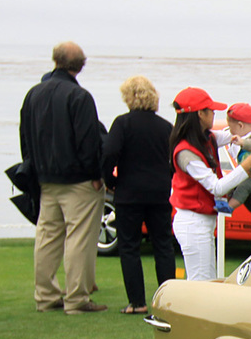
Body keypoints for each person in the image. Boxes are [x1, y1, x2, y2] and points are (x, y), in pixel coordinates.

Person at [20, 41, 108, 314]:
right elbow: (88, 140)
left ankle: (45, 296)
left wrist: (33, 170)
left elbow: (25, 137)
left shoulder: (33, 94)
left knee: (47, 237)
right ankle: (76, 299)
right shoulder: (79, 97)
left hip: (45, 179)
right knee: (79, 239)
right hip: (79, 180)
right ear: (80, 65)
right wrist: (96, 174)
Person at [169, 88, 251, 281]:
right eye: (211, 110)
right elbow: (216, 187)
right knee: (200, 284)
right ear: (200, 114)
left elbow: (234, 137)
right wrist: (247, 166)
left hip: (202, 222)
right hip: (193, 222)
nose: (214, 114)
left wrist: (247, 137)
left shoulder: (207, 137)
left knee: (207, 281)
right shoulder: (186, 152)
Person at [100, 76, 175, 313]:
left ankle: (137, 302)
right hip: (159, 192)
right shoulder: (165, 127)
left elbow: (108, 154)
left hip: (129, 193)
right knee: (163, 245)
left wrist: (110, 181)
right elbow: (174, 160)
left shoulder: (122, 124)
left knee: (129, 247)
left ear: (129, 97)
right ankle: (167, 301)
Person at [220, 102, 251, 215]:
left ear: (241, 126)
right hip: (248, 174)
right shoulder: (245, 135)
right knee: (232, 184)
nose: (231, 132)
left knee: (243, 187)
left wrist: (243, 142)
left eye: (231, 128)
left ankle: (230, 207)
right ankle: (224, 201)